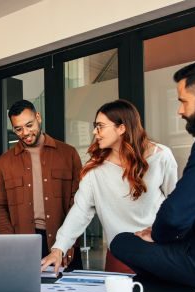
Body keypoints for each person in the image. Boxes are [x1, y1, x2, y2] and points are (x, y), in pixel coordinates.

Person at [111, 57, 195, 292]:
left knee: (123, 242)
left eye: (183, 101)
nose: (180, 111)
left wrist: (156, 235)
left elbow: (176, 214)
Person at [40, 100, 178, 274]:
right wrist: (58, 248)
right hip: (119, 256)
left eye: (100, 126)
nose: (94, 132)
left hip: (158, 252)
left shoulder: (161, 156)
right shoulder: (95, 168)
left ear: (121, 128)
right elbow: (80, 211)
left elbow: (175, 204)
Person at [0, 100, 82, 267]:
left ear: (38, 117)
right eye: (18, 129)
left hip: (62, 240)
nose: (25, 133)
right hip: (23, 245)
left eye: (29, 125)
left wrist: (70, 242)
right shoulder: (3, 163)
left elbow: (78, 202)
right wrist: (10, 242)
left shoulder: (68, 154)